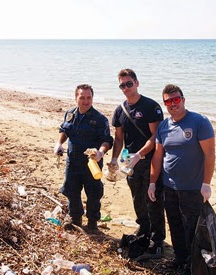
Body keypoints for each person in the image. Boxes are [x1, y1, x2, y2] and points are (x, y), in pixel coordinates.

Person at [148, 84, 215, 275]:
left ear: (183, 100)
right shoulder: (164, 126)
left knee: (192, 228)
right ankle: (180, 258)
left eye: (176, 99)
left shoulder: (199, 122)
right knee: (175, 224)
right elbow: (158, 156)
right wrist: (153, 182)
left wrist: (206, 183)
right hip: (169, 186)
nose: (172, 104)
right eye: (168, 101)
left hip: (193, 188)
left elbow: (209, 155)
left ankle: (195, 265)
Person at [109, 68, 166, 257]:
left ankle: (157, 241)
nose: (125, 88)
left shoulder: (150, 106)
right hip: (130, 162)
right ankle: (144, 228)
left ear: (137, 83)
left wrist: (139, 155)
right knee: (137, 197)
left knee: (153, 199)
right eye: (122, 85)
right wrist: (115, 159)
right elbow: (118, 138)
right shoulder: (120, 110)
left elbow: (155, 137)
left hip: (150, 159)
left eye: (129, 84)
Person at [54, 84, 113, 232]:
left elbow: (107, 140)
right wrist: (59, 143)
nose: (86, 101)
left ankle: (92, 222)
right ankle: (75, 218)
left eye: (89, 98)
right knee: (71, 190)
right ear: (76, 98)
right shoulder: (70, 114)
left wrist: (100, 152)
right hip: (72, 161)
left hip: (92, 164)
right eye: (82, 98)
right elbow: (64, 130)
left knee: (93, 193)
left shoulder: (100, 119)